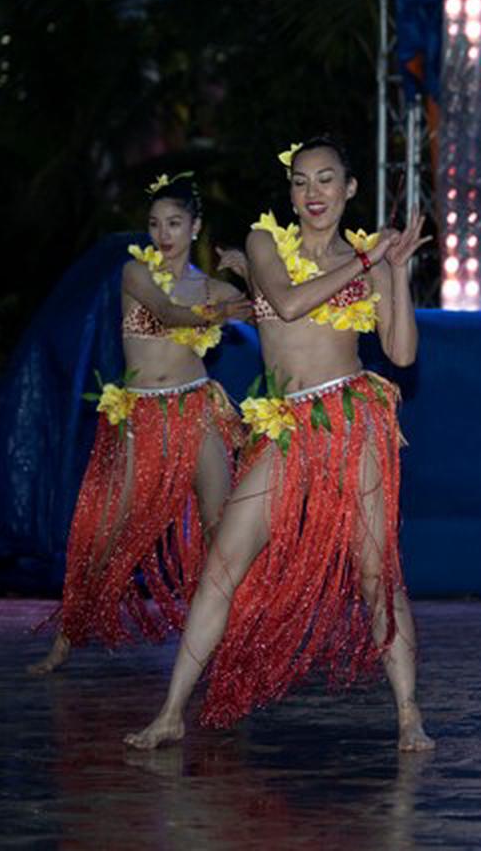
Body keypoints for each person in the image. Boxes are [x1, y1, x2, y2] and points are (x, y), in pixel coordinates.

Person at [125, 138, 435, 750]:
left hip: (350, 422)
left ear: (349, 189)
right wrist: (368, 261)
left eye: (326, 179)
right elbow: (289, 305)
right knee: (223, 565)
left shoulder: (368, 261)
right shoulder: (266, 243)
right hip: (285, 427)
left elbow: (401, 353)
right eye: (301, 181)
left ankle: (408, 714)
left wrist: (395, 272)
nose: (312, 192)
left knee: (377, 574)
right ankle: (170, 713)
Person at [31, 173, 250, 674]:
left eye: (174, 223)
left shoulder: (213, 286)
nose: (163, 234)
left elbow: (268, 313)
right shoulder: (136, 273)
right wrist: (219, 312)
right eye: (155, 224)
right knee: (104, 530)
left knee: (220, 530)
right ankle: (64, 640)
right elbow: (169, 313)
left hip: (196, 411)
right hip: (143, 415)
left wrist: (250, 274)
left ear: (195, 227)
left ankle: (228, 642)